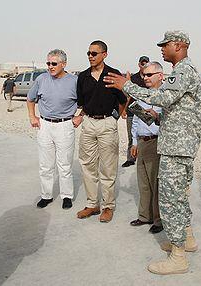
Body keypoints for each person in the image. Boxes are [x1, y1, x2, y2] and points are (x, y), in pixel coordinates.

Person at [104, 30, 201, 274]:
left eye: (165, 45)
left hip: (177, 148)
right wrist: (177, 117)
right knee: (179, 198)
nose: (162, 49)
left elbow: (162, 97)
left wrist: (129, 85)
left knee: (170, 201)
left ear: (180, 45)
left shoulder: (183, 71)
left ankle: (178, 257)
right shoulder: (188, 72)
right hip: (180, 145)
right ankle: (187, 240)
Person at [73, 40, 127, 223]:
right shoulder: (82, 77)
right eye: (88, 53)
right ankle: (92, 204)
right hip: (88, 124)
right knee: (87, 165)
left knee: (108, 167)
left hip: (107, 124)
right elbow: (82, 102)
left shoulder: (113, 75)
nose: (90, 56)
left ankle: (108, 206)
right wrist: (81, 117)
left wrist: (114, 118)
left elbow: (123, 99)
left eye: (94, 53)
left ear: (104, 54)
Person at [27, 49, 78, 209]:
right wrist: (32, 117)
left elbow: (86, 100)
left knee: (64, 164)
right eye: (48, 63)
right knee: (45, 164)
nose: (50, 66)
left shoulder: (74, 81)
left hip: (65, 125)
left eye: (54, 63)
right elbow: (30, 98)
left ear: (64, 64)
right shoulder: (41, 79)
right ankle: (46, 195)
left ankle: (67, 196)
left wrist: (81, 115)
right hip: (45, 125)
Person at [129, 61, 163, 234]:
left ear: (160, 76)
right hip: (142, 142)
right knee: (143, 182)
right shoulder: (142, 95)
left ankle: (158, 219)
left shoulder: (165, 95)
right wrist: (134, 142)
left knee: (155, 182)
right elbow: (135, 120)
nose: (145, 78)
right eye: (144, 75)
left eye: (149, 75)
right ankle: (144, 216)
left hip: (156, 142)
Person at [121, 56, 149, 168]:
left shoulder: (149, 77)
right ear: (139, 65)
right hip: (133, 111)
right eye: (142, 64)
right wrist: (124, 110)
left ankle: (143, 159)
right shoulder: (134, 78)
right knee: (131, 137)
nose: (144, 66)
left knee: (145, 136)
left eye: (146, 63)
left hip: (145, 111)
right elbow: (128, 96)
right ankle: (130, 159)